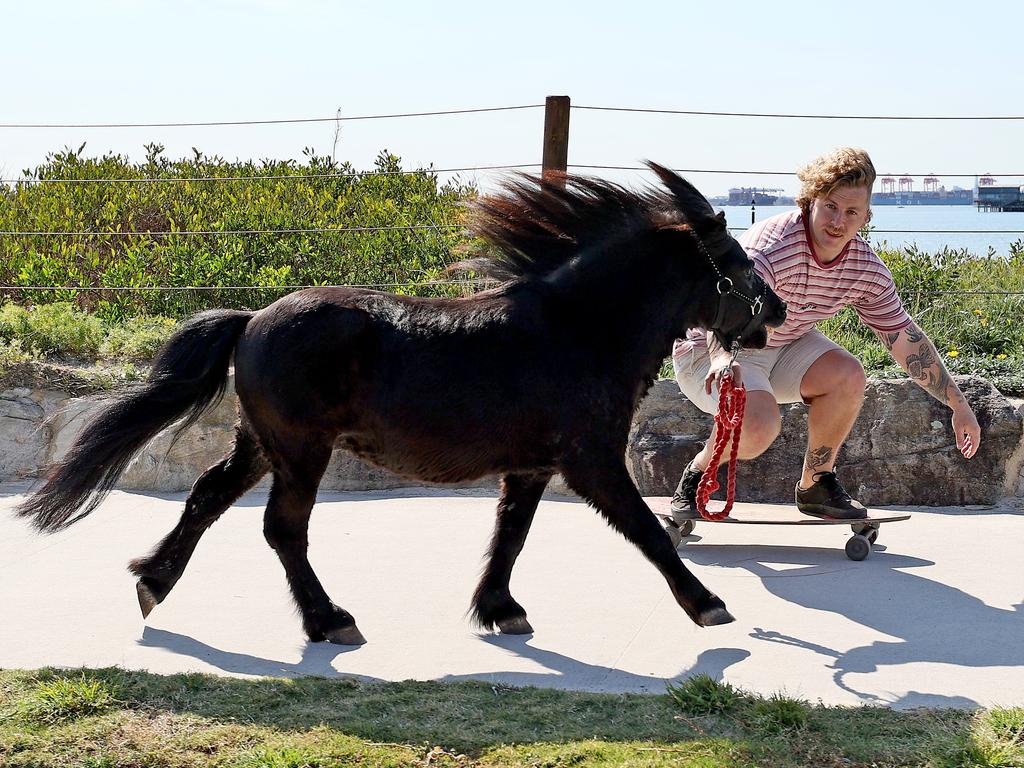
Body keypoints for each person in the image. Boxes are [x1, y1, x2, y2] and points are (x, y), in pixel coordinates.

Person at [670, 147, 982, 521]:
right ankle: (696, 476)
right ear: (810, 201)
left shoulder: (865, 268)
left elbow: (903, 337)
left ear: (866, 217)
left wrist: (959, 405)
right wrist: (722, 358)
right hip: (712, 349)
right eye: (831, 206)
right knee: (757, 428)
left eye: (852, 212)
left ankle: (816, 484)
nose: (838, 221)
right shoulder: (770, 248)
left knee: (847, 374)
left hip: (781, 343)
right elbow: (724, 311)